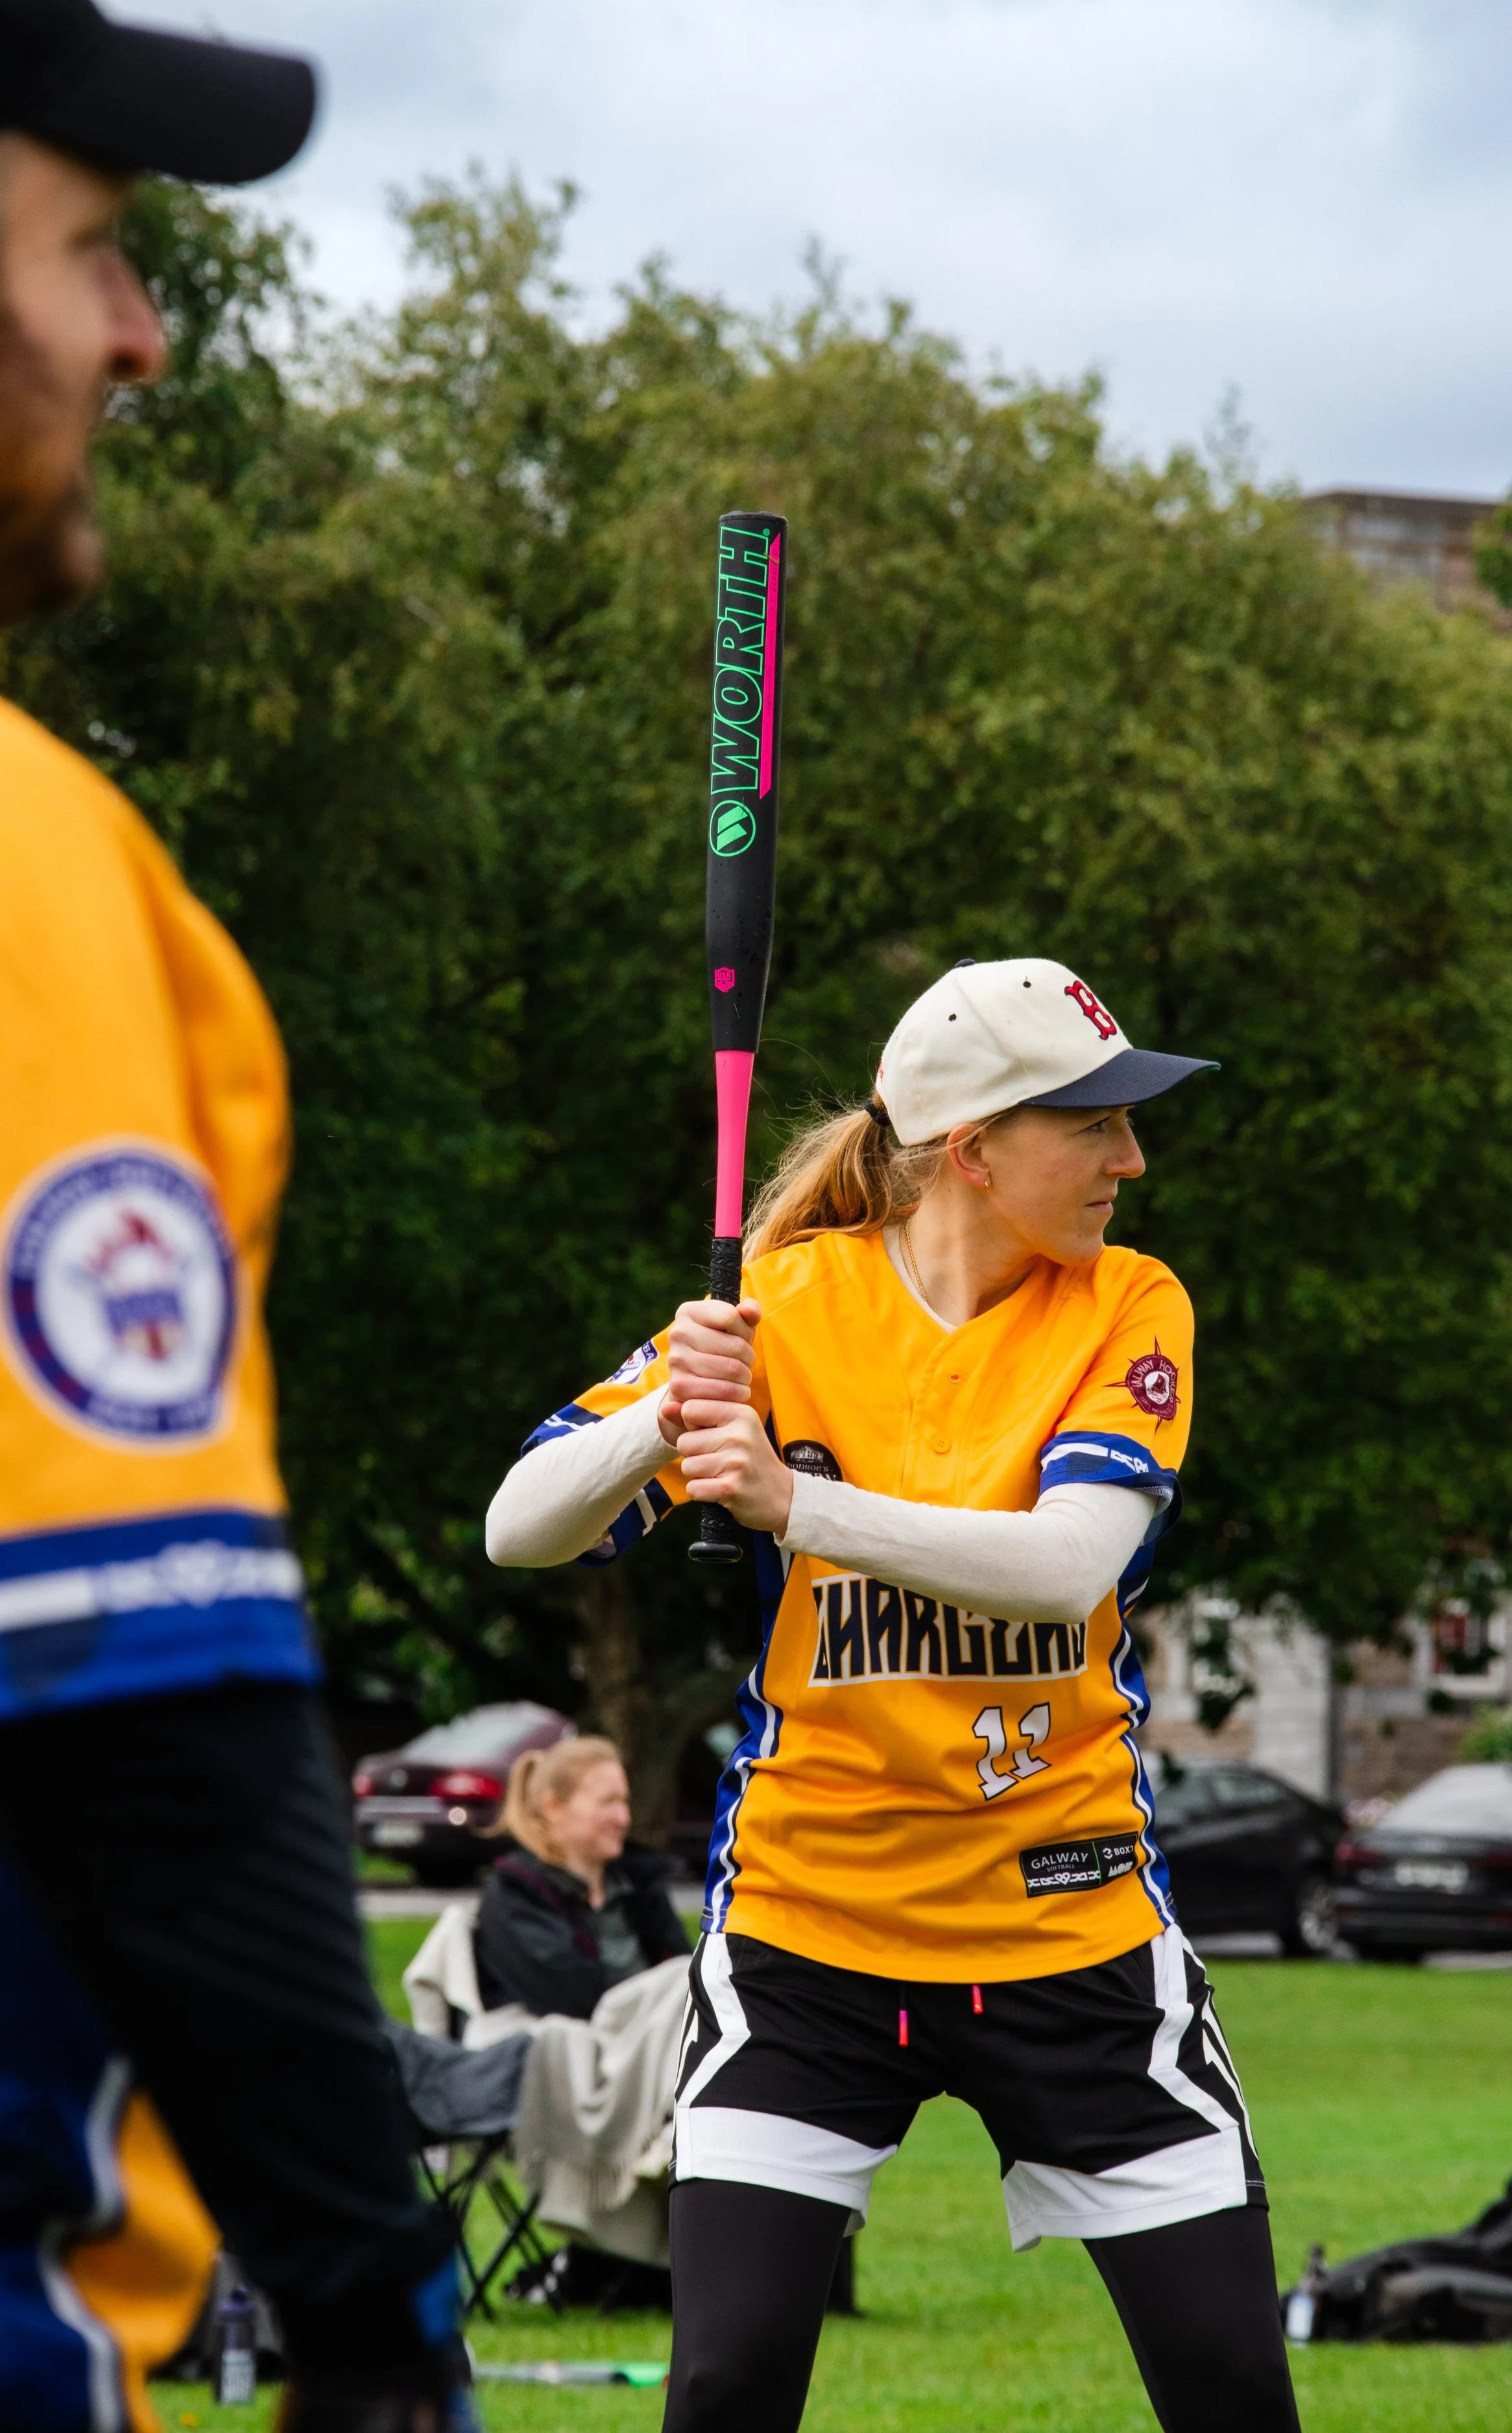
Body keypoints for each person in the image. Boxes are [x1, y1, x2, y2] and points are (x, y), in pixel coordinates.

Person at [486, 956, 1302, 2433]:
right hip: (811, 1932)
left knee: (1236, 2385)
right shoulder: (784, 1307)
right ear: (974, 1147)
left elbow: (1068, 1566)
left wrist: (797, 1506)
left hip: (1069, 1929)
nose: (1133, 1155)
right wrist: (670, 1405)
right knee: (725, 2381)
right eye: (1096, 1121)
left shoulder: (1130, 1302)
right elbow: (519, 1525)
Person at [0, 10, 471, 2427]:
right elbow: (144, 1713)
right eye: (89, 247)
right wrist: (382, 2321)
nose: (139, 332)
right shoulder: (34, 867)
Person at [474, 1736, 689, 2020]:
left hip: (659, 2035)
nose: (624, 1818)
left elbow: (685, 1968)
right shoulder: (516, 1891)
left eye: (624, 1802)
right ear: (553, 1808)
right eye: (607, 1802)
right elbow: (572, 1996)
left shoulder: (639, 1881)